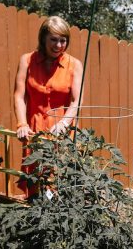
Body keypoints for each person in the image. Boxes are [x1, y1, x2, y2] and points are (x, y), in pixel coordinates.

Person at [14, 16, 83, 199]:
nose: (59, 45)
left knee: (58, 183)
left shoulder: (74, 65)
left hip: (62, 133)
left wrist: (63, 124)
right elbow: (19, 96)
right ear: (43, 38)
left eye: (63, 40)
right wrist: (21, 124)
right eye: (53, 39)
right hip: (34, 129)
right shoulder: (27, 60)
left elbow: (76, 101)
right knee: (35, 182)